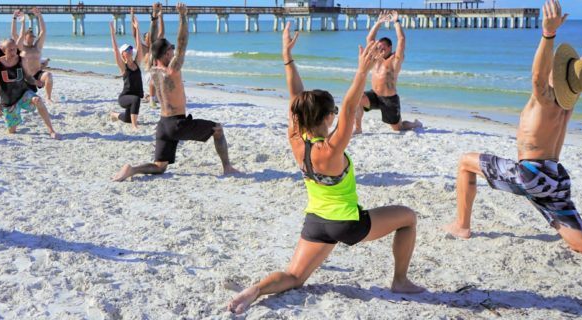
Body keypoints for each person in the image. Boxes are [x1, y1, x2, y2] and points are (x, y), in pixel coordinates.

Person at [227, 23, 425, 314]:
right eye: (332, 112)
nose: (336, 114)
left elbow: (297, 98)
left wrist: (287, 56)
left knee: (294, 276)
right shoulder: (331, 149)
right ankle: (400, 280)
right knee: (408, 217)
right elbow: (349, 107)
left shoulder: (296, 138)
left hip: (316, 222)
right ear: (327, 117)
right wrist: (360, 73)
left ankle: (256, 290)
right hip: (347, 223)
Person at [443, 0, 582, 265]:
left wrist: (548, 34)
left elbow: (537, 76)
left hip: (529, 174)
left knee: (465, 162)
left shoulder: (545, 97)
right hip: (555, 178)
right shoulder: (570, 99)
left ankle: (461, 225)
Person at [112, 3, 240, 181]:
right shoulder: (172, 70)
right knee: (217, 129)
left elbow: (154, 42)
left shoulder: (151, 66)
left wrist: (155, 17)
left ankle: (132, 170)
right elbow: (182, 42)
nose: (173, 51)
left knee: (160, 167)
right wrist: (183, 16)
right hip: (177, 124)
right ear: (166, 54)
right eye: (170, 49)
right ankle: (227, 167)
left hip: (163, 125)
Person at [353, 10, 421, 134]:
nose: (380, 49)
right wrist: (378, 22)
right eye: (378, 47)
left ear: (390, 47)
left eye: (383, 47)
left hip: (390, 100)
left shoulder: (395, 60)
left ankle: (415, 123)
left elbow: (401, 39)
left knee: (398, 128)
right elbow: (369, 38)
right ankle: (358, 128)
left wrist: (396, 22)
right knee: (358, 97)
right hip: (374, 95)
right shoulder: (376, 57)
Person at [0, 39, 59, 139]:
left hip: (23, 94)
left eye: (14, 49)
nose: (13, 52)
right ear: (3, 50)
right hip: (9, 100)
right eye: (10, 50)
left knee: (38, 100)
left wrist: (36, 82)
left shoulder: (21, 60)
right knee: (12, 131)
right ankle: (15, 119)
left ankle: (51, 131)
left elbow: (28, 77)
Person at [108, 17, 145, 130]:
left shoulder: (137, 63)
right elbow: (115, 50)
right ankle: (135, 126)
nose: (130, 51)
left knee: (127, 119)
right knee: (135, 99)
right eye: (127, 50)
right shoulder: (123, 67)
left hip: (134, 97)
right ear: (123, 54)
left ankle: (114, 114)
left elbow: (139, 47)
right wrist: (113, 34)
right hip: (125, 98)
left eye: (130, 49)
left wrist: (137, 28)